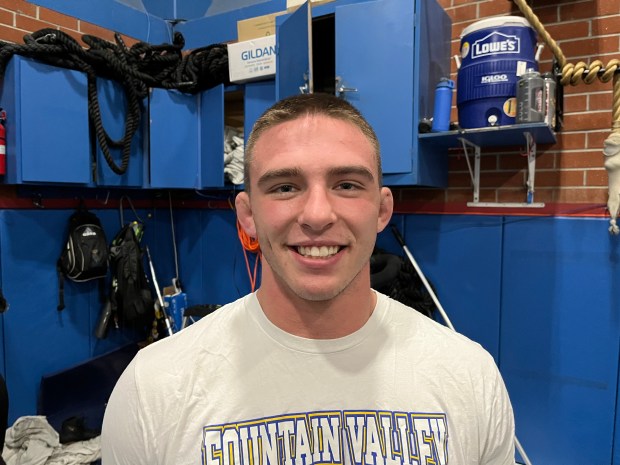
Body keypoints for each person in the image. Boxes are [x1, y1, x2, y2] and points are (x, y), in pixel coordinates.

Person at [101, 93, 515, 464]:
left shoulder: (469, 377)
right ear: (248, 215)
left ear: (382, 210)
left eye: (347, 184)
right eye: (285, 187)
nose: (317, 215)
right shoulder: (153, 388)